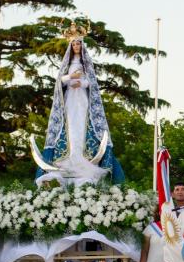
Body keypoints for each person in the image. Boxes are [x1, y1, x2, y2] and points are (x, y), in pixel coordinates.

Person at [35, 27, 124, 186]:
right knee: (69, 124)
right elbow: (60, 82)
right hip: (70, 99)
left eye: (78, 44)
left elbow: (92, 83)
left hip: (82, 98)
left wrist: (81, 82)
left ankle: (83, 159)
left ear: (82, 46)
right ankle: (68, 160)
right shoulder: (67, 64)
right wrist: (71, 77)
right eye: (74, 44)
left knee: (83, 124)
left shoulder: (86, 64)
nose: (76, 46)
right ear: (71, 47)